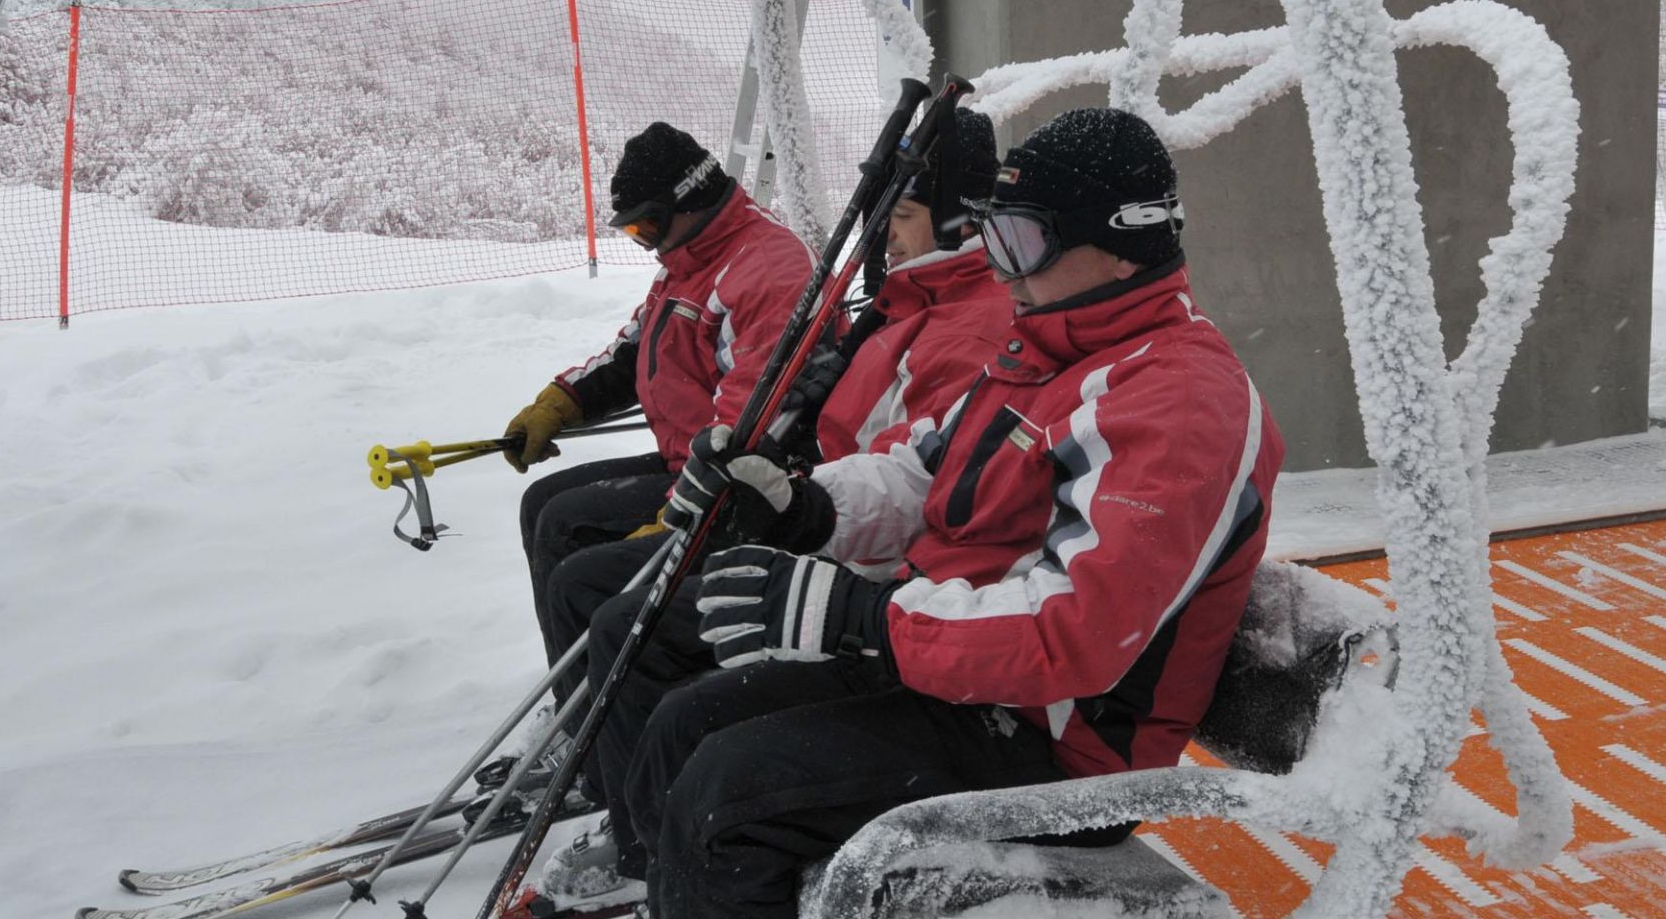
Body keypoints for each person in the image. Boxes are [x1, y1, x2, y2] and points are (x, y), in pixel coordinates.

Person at [630, 107, 1287, 919]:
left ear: (1123, 247)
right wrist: (801, 509)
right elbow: (921, 472)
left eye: (1021, 242)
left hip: (1060, 748)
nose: (1001, 270)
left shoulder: (1180, 403)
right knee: (687, 720)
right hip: (961, 683)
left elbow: (1076, 634)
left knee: (728, 794)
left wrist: (867, 617)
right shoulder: (1045, 349)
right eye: (991, 237)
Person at [536, 110, 1012, 903]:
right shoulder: (903, 302)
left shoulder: (959, 325)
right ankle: (631, 808)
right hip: (800, 513)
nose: (886, 239)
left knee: (623, 619)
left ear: (960, 219)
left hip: (854, 566)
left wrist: (787, 504)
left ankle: (641, 844)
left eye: (900, 218)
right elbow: (830, 425)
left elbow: (908, 480)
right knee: (562, 529)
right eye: (881, 219)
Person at [504, 122, 816, 680]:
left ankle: (589, 731)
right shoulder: (690, 260)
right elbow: (636, 351)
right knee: (543, 504)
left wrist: (678, 509)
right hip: (686, 458)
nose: (645, 243)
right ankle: (575, 695)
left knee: (564, 529)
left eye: (647, 225)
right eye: (633, 233)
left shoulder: (765, 269)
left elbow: (749, 421)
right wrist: (562, 402)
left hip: (735, 481)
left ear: (690, 200)